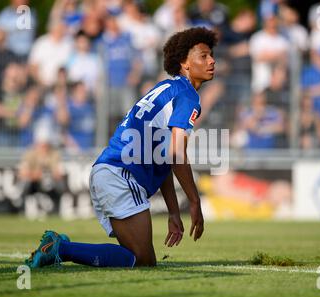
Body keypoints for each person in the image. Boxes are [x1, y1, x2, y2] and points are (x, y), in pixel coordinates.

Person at [25, 27, 217, 268]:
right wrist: (195, 203)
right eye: (203, 55)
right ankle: (60, 248)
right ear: (184, 63)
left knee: (137, 257)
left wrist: (173, 212)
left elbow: (164, 158)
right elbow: (178, 154)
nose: (211, 61)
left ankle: (60, 246)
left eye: (211, 55)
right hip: (121, 174)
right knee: (142, 260)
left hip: (109, 171)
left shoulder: (165, 89)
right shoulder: (188, 97)